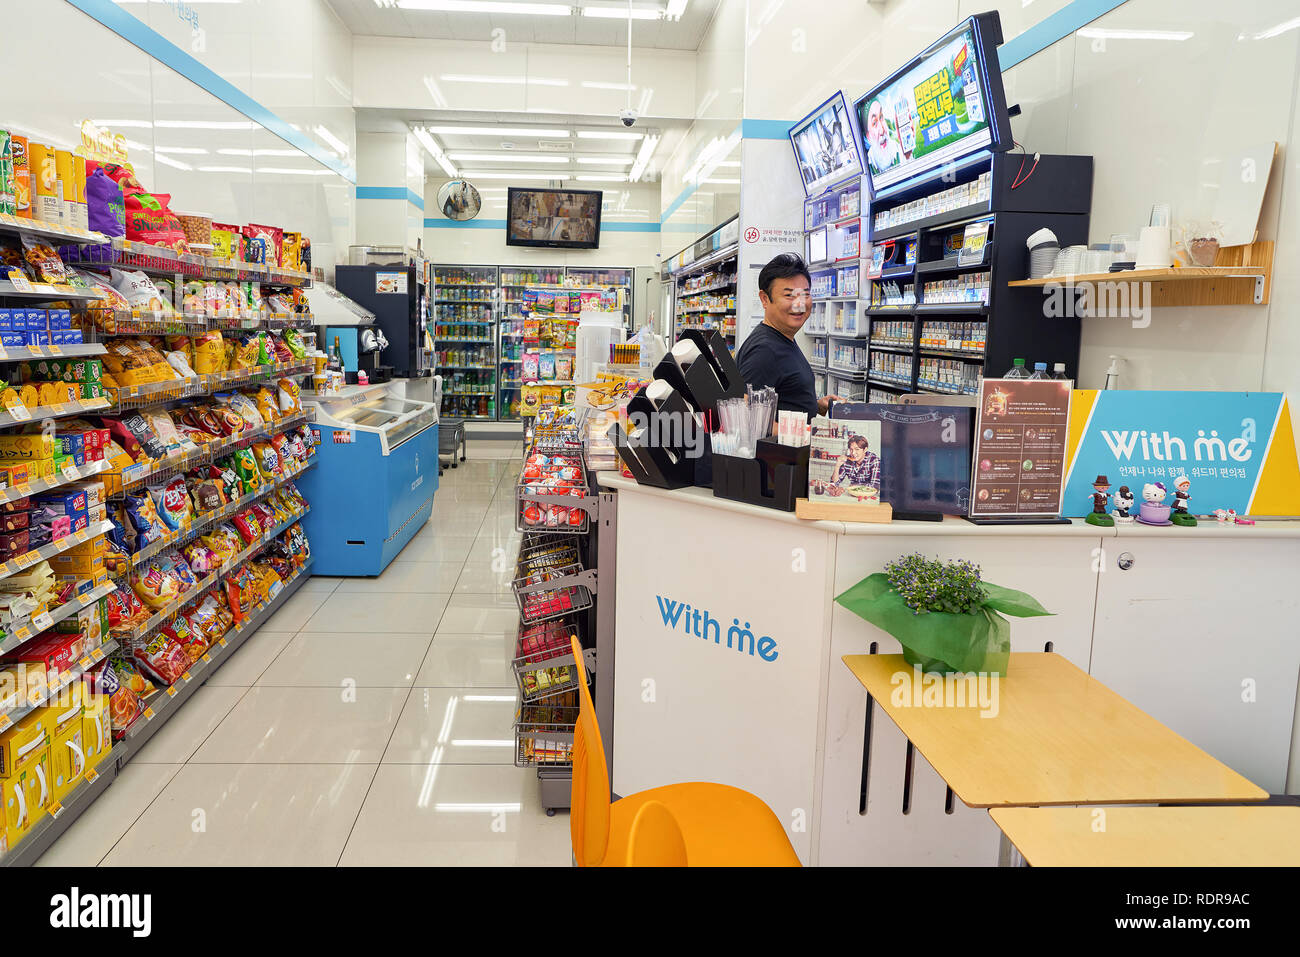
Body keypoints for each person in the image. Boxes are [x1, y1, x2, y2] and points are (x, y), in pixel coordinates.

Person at [735, 253, 842, 419]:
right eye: (789, 295)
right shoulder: (764, 351)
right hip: (779, 446)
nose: (799, 304)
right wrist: (806, 432)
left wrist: (816, 406)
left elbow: (784, 398)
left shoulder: (782, 338)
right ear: (765, 299)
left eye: (805, 294)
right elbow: (747, 419)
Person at [864, 99, 902, 174]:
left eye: (881, 117)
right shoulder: (867, 166)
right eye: (874, 123)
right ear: (868, 137)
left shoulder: (900, 150)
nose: (882, 130)